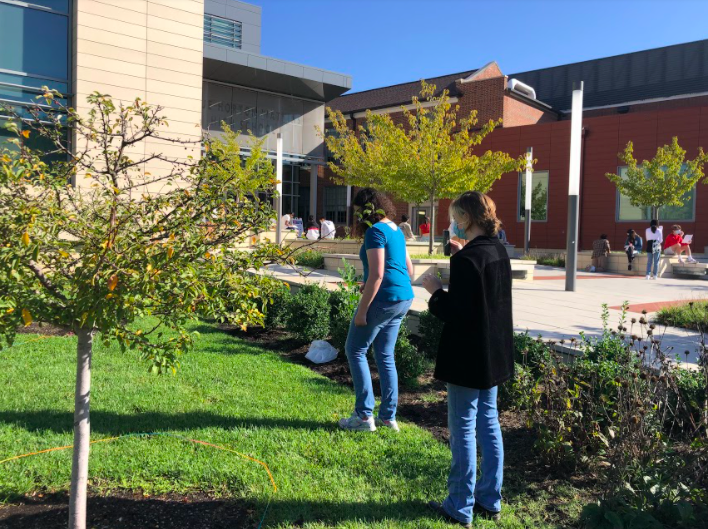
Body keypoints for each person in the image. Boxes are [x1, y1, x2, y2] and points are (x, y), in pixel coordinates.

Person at [421, 191, 513, 527]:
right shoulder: (498, 250)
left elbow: (457, 313)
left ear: (467, 219)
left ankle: (459, 506)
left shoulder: (466, 260)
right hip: (494, 354)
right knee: (489, 422)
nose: (452, 222)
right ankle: (490, 499)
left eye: (455, 216)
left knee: (462, 427)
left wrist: (434, 291)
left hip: (467, 355)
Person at [339, 188, 414, 433]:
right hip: (402, 298)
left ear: (366, 209)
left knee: (355, 349)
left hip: (384, 299)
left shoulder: (375, 232)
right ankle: (387, 418)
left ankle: (363, 417)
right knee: (384, 355)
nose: (357, 217)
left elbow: (379, 275)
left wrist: (362, 312)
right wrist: (369, 281)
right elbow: (408, 271)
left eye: (359, 211)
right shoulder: (395, 229)